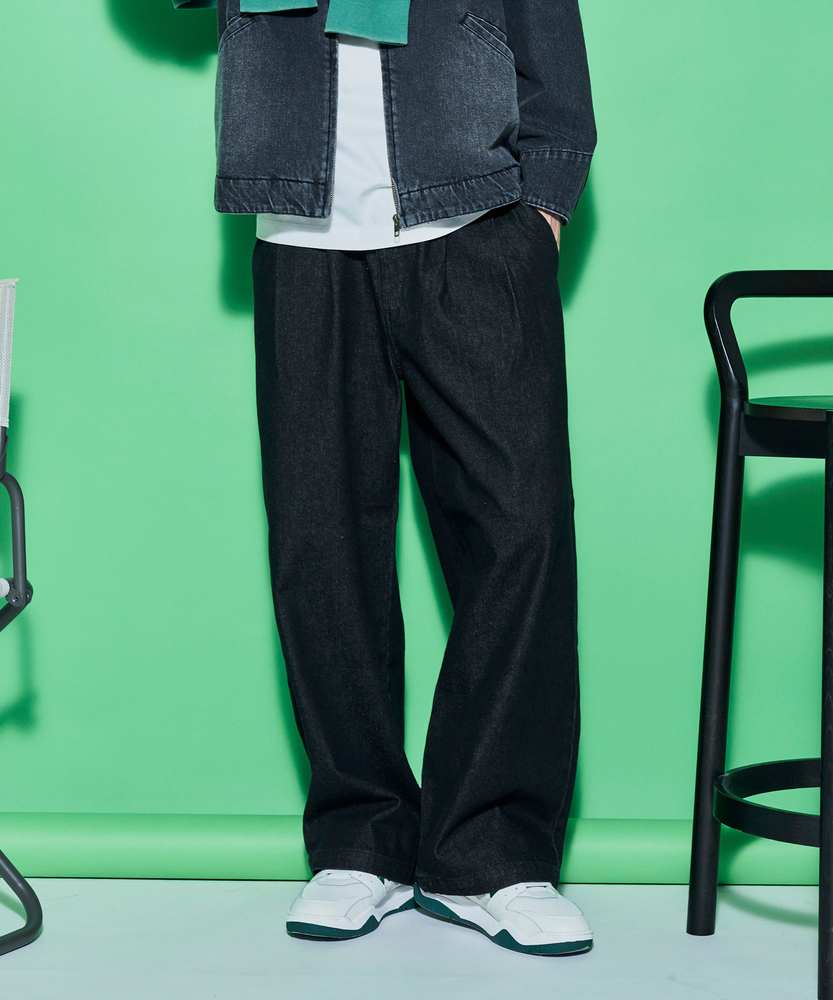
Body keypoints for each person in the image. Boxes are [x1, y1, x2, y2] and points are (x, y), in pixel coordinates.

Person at [174, 0, 597, 956]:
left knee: (519, 530)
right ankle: (360, 843)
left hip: (479, 212)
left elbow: (546, 27)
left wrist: (544, 203)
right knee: (319, 544)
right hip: (303, 232)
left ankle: (494, 856)